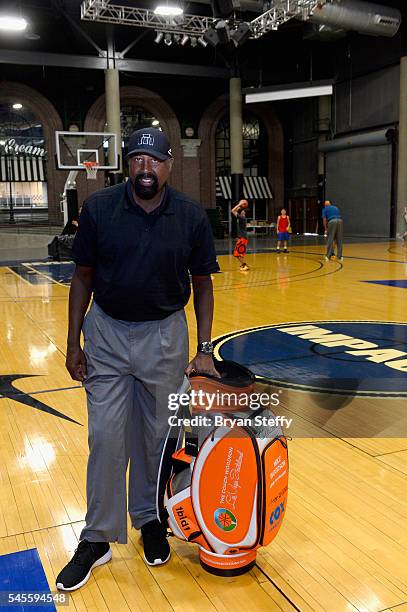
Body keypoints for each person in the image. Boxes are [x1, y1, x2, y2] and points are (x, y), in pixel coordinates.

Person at [56, 127, 220, 591]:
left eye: (155, 159)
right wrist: (73, 343)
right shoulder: (100, 210)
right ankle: (98, 537)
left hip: (165, 335)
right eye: (137, 159)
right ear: (127, 164)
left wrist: (205, 349)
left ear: (170, 165)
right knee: (106, 437)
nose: (146, 167)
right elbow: (82, 278)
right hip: (107, 333)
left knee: (158, 436)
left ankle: (149, 519)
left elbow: (203, 283)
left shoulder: (190, 215)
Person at [231, 199, 249, 271]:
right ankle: (244, 264)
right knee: (238, 253)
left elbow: (232, 211)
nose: (242, 211)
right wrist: (240, 206)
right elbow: (235, 211)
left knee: (237, 253)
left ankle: (244, 265)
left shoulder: (242, 218)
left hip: (243, 238)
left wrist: (239, 204)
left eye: (243, 210)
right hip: (242, 238)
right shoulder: (241, 218)